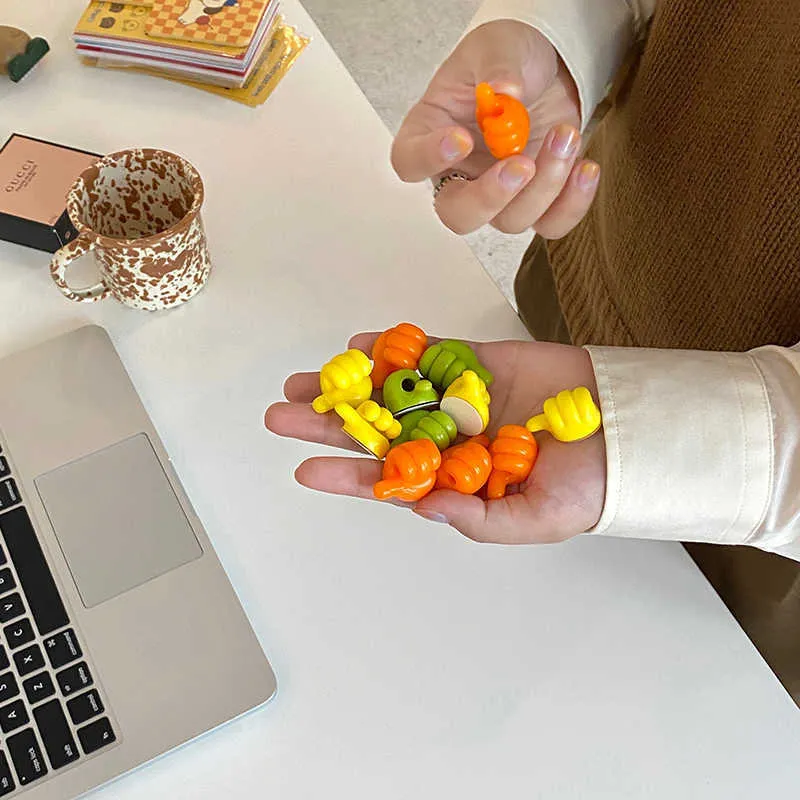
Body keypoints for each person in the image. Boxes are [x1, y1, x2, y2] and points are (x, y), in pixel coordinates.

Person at [265, 1, 800, 702]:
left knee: (653, 693)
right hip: (587, 285)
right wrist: (549, 38)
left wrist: (679, 442)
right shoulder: (472, 395)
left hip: (763, 499)